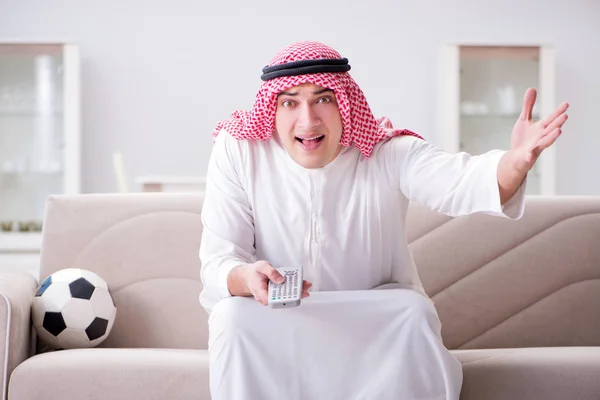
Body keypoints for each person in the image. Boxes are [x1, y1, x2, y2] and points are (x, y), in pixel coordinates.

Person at [198, 41, 569, 400]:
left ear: (345, 104)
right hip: (276, 323)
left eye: (323, 99)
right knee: (231, 316)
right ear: (272, 110)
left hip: (371, 324)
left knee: (412, 311)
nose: (307, 120)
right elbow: (218, 260)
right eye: (290, 102)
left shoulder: (387, 152)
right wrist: (246, 278)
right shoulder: (239, 152)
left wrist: (515, 162)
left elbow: (464, 181)